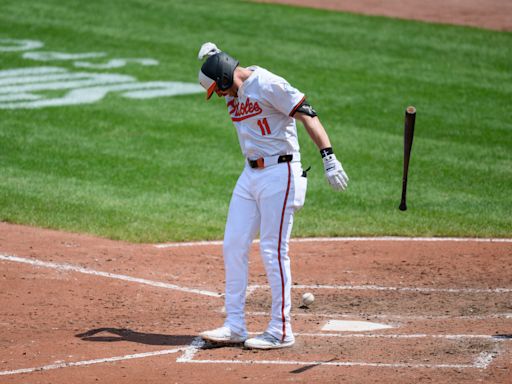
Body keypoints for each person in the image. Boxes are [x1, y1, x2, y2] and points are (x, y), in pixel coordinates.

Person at [196, 42, 348, 349]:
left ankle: (280, 329)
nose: (221, 96)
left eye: (219, 89)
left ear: (226, 78)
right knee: (234, 244)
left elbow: (307, 113)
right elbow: (218, 62)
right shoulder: (233, 88)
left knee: (272, 250)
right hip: (249, 174)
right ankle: (235, 325)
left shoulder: (268, 84)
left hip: (280, 172)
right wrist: (210, 55)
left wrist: (329, 157)